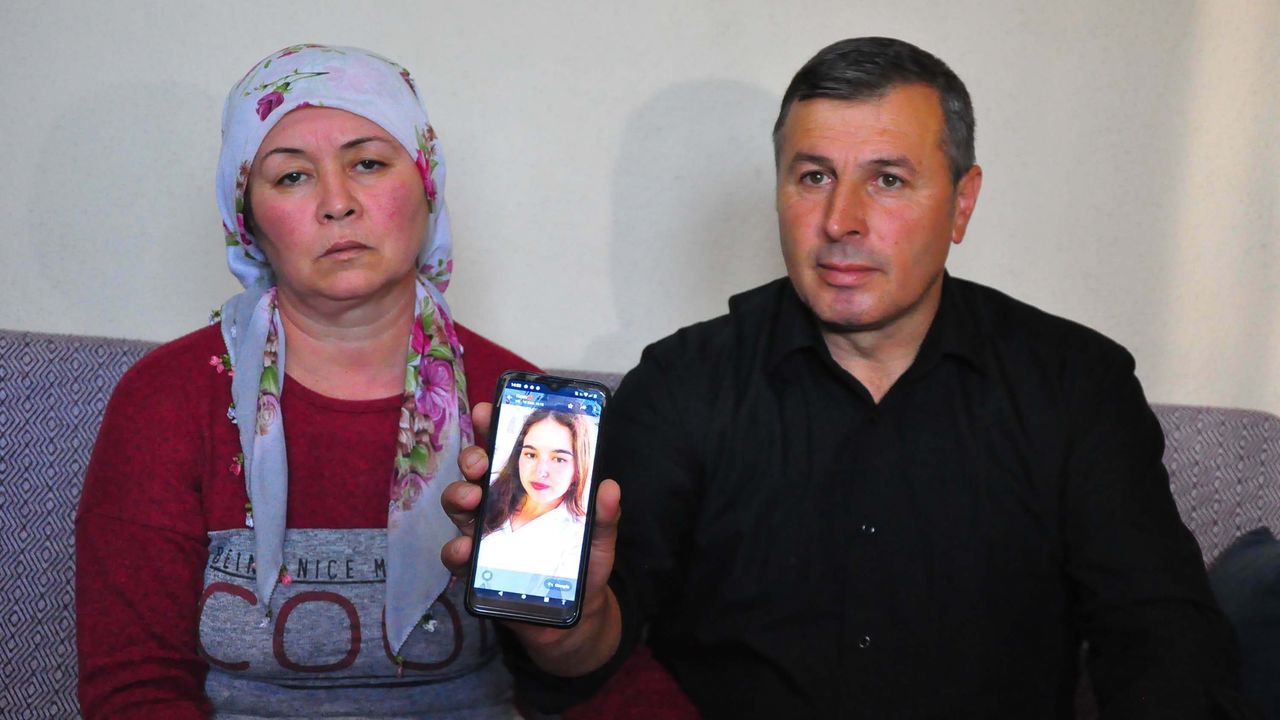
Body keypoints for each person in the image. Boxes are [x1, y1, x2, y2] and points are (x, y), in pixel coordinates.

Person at [442, 37, 1260, 717]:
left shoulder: (1075, 384)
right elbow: (587, 652)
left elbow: (1164, 643)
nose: (841, 221)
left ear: (962, 202)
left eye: (888, 179)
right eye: (813, 177)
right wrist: (565, 625)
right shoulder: (684, 383)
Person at [76, 45, 537, 719]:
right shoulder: (166, 399)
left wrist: (582, 622)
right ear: (247, 221)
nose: (337, 203)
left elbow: (580, 670)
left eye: (368, 164)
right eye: (292, 176)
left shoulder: (515, 402)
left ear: (427, 184)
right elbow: (134, 689)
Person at [474, 410, 593, 593]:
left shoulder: (576, 537)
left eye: (559, 459)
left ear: (578, 469)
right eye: (531, 454)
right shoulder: (493, 493)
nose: (541, 471)